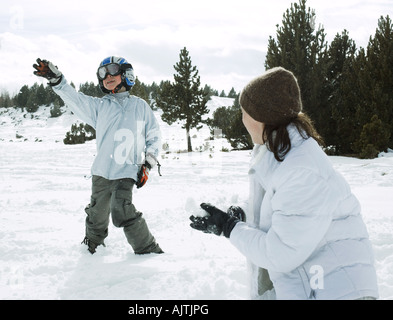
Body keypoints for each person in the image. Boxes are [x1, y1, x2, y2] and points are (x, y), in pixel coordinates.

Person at [190, 67, 379, 300]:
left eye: (244, 112)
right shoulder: (280, 151)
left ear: (261, 118)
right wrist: (242, 213)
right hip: (310, 284)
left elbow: (280, 253)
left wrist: (229, 228)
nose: (242, 119)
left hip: (339, 291)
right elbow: (278, 203)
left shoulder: (302, 171)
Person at [33, 56, 163, 255]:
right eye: (102, 74)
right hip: (102, 171)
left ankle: (148, 250)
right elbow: (75, 100)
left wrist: (148, 163)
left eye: (111, 70)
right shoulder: (100, 107)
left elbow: (154, 135)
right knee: (97, 213)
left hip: (126, 170)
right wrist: (57, 80)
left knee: (122, 209)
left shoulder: (140, 107)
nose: (107, 76)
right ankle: (91, 249)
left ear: (126, 74)